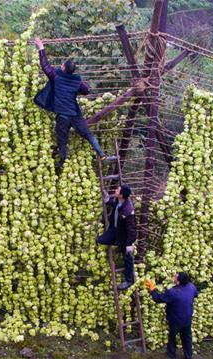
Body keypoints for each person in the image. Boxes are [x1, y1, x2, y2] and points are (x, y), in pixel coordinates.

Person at [32, 37, 113, 168]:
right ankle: (102, 155)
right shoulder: (76, 81)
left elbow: (45, 65)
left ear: (63, 68)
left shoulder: (56, 76)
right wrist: (78, 84)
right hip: (75, 114)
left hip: (63, 115)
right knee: (88, 134)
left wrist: (41, 47)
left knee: (62, 139)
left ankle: (62, 162)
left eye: (62, 65)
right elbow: (86, 91)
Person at [146, 272, 198, 359]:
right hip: (187, 317)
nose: (173, 277)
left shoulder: (173, 292)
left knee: (172, 335)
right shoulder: (192, 287)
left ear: (178, 281)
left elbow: (158, 299)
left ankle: (171, 353)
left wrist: (153, 289)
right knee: (187, 336)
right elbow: (195, 295)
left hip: (176, 318)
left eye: (175, 277)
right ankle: (188, 355)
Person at [96, 185, 136, 290]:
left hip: (124, 235)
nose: (115, 190)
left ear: (121, 195)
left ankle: (128, 281)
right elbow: (115, 205)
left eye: (117, 190)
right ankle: (117, 243)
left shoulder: (128, 211)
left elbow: (131, 229)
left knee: (127, 257)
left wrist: (129, 244)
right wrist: (108, 200)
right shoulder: (119, 201)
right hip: (115, 229)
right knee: (100, 240)